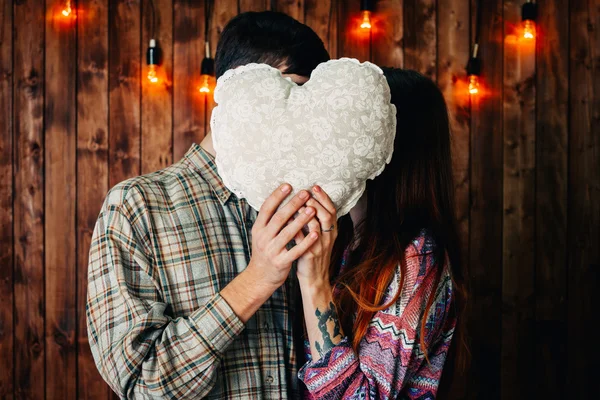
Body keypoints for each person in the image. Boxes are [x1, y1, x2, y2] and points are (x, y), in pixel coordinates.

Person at [86, 11, 330, 399]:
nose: (302, 117)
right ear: (237, 95)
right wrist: (257, 279)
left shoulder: (309, 205)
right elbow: (143, 385)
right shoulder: (136, 207)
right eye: (290, 94)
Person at [292, 69, 467, 399]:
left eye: (353, 126)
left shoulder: (418, 255)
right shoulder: (344, 239)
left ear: (389, 145)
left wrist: (313, 282)